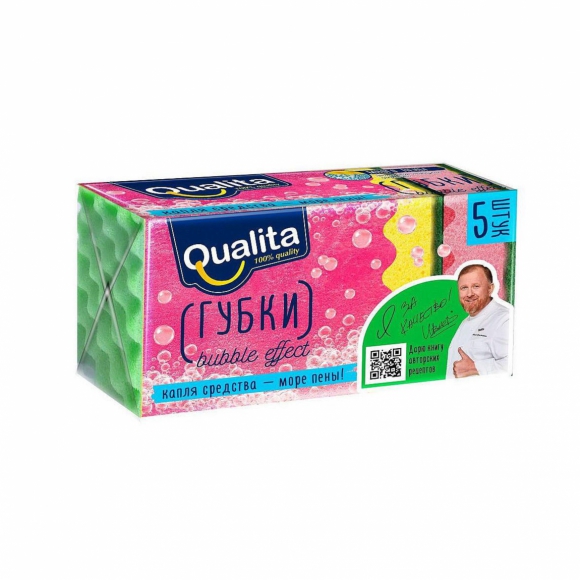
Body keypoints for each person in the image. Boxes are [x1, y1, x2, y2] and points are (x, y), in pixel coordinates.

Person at [446, 263, 512, 379]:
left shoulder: (504, 319)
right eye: (464, 288)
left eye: (476, 286)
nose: (469, 294)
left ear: (490, 288)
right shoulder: (465, 322)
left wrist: (475, 368)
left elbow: (515, 364)